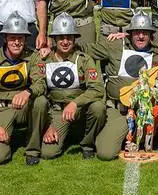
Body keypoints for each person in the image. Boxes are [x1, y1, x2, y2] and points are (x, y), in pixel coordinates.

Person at [78, 11, 158, 160]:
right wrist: (57, 43)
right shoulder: (115, 45)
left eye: (145, 33)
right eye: (137, 32)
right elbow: (88, 49)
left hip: (148, 108)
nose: (141, 36)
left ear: (151, 35)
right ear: (130, 33)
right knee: (106, 153)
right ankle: (133, 135)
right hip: (120, 110)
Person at [28, 13, 106, 159]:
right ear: (54, 39)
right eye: (61, 37)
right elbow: (40, 88)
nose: (65, 42)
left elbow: (97, 89)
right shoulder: (45, 59)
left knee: (98, 107)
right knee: (48, 153)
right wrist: (48, 124)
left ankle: (87, 144)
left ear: (74, 39)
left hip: (79, 109)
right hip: (57, 111)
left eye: (69, 37)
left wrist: (75, 103)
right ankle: (60, 133)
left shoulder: (84, 59)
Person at [0, 12, 49, 166]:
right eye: (12, 38)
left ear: (25, 39)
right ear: (5, 38)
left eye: (20, 38)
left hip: (24, 106)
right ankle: (4, 135)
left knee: (41, 101)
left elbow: (41, 84)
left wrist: (28, 92)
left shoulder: (33, 56)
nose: (17, 42)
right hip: (0, 109)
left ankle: (32, 149)